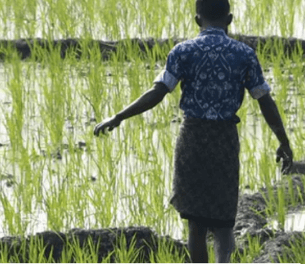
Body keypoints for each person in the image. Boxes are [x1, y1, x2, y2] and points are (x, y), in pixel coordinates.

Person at [94, 0, 293, 262]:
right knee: (223, 222)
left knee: (196, 224)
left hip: (193, 141)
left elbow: (158, 91)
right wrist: (283, 141)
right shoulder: (244, 54)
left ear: (197, 20)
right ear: (229, 19)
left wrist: (118, 116)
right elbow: (264, 100)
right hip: (224, 142)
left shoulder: (183, 51)